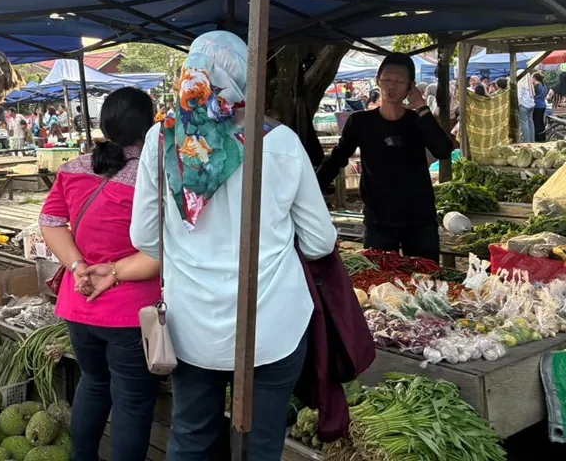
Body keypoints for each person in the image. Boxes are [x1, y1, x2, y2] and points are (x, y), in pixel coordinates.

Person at [96, 32, 336, 461]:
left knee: (190, 436)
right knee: (261, 446)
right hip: (273, 326)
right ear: (244, 76)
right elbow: (320, 242)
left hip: (193, 329)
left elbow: (145, 240)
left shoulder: (161, 140)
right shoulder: (278, 141)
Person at [39, 87, 161, 461]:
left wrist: (77, 266)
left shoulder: (73, 168)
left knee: (94, 384)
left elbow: (50, 221)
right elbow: (167, 247)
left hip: (79, 305)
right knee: (133, 400)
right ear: (150, 124)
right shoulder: (155, 174)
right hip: (130, 313)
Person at [317, 53, 454, 261]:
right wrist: (311, 191)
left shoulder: (418, 121)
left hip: (419, 219)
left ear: (410, 86)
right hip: (378, 220)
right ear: (377, 80)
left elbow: (443, 150)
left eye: (400, 82)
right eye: (387, 80)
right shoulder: (360, 122)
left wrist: (421, 105)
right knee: (378, 286)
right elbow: (336, 159)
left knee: (427, 282)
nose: (392, 87)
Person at [518, 73, 536, 143]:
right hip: (531, 105)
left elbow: (518, 97)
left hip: (523, 105)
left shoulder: (521, 85)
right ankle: (532, 140)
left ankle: (526, 141)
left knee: (524, 123)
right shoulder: (530, 85)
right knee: (530, 123)